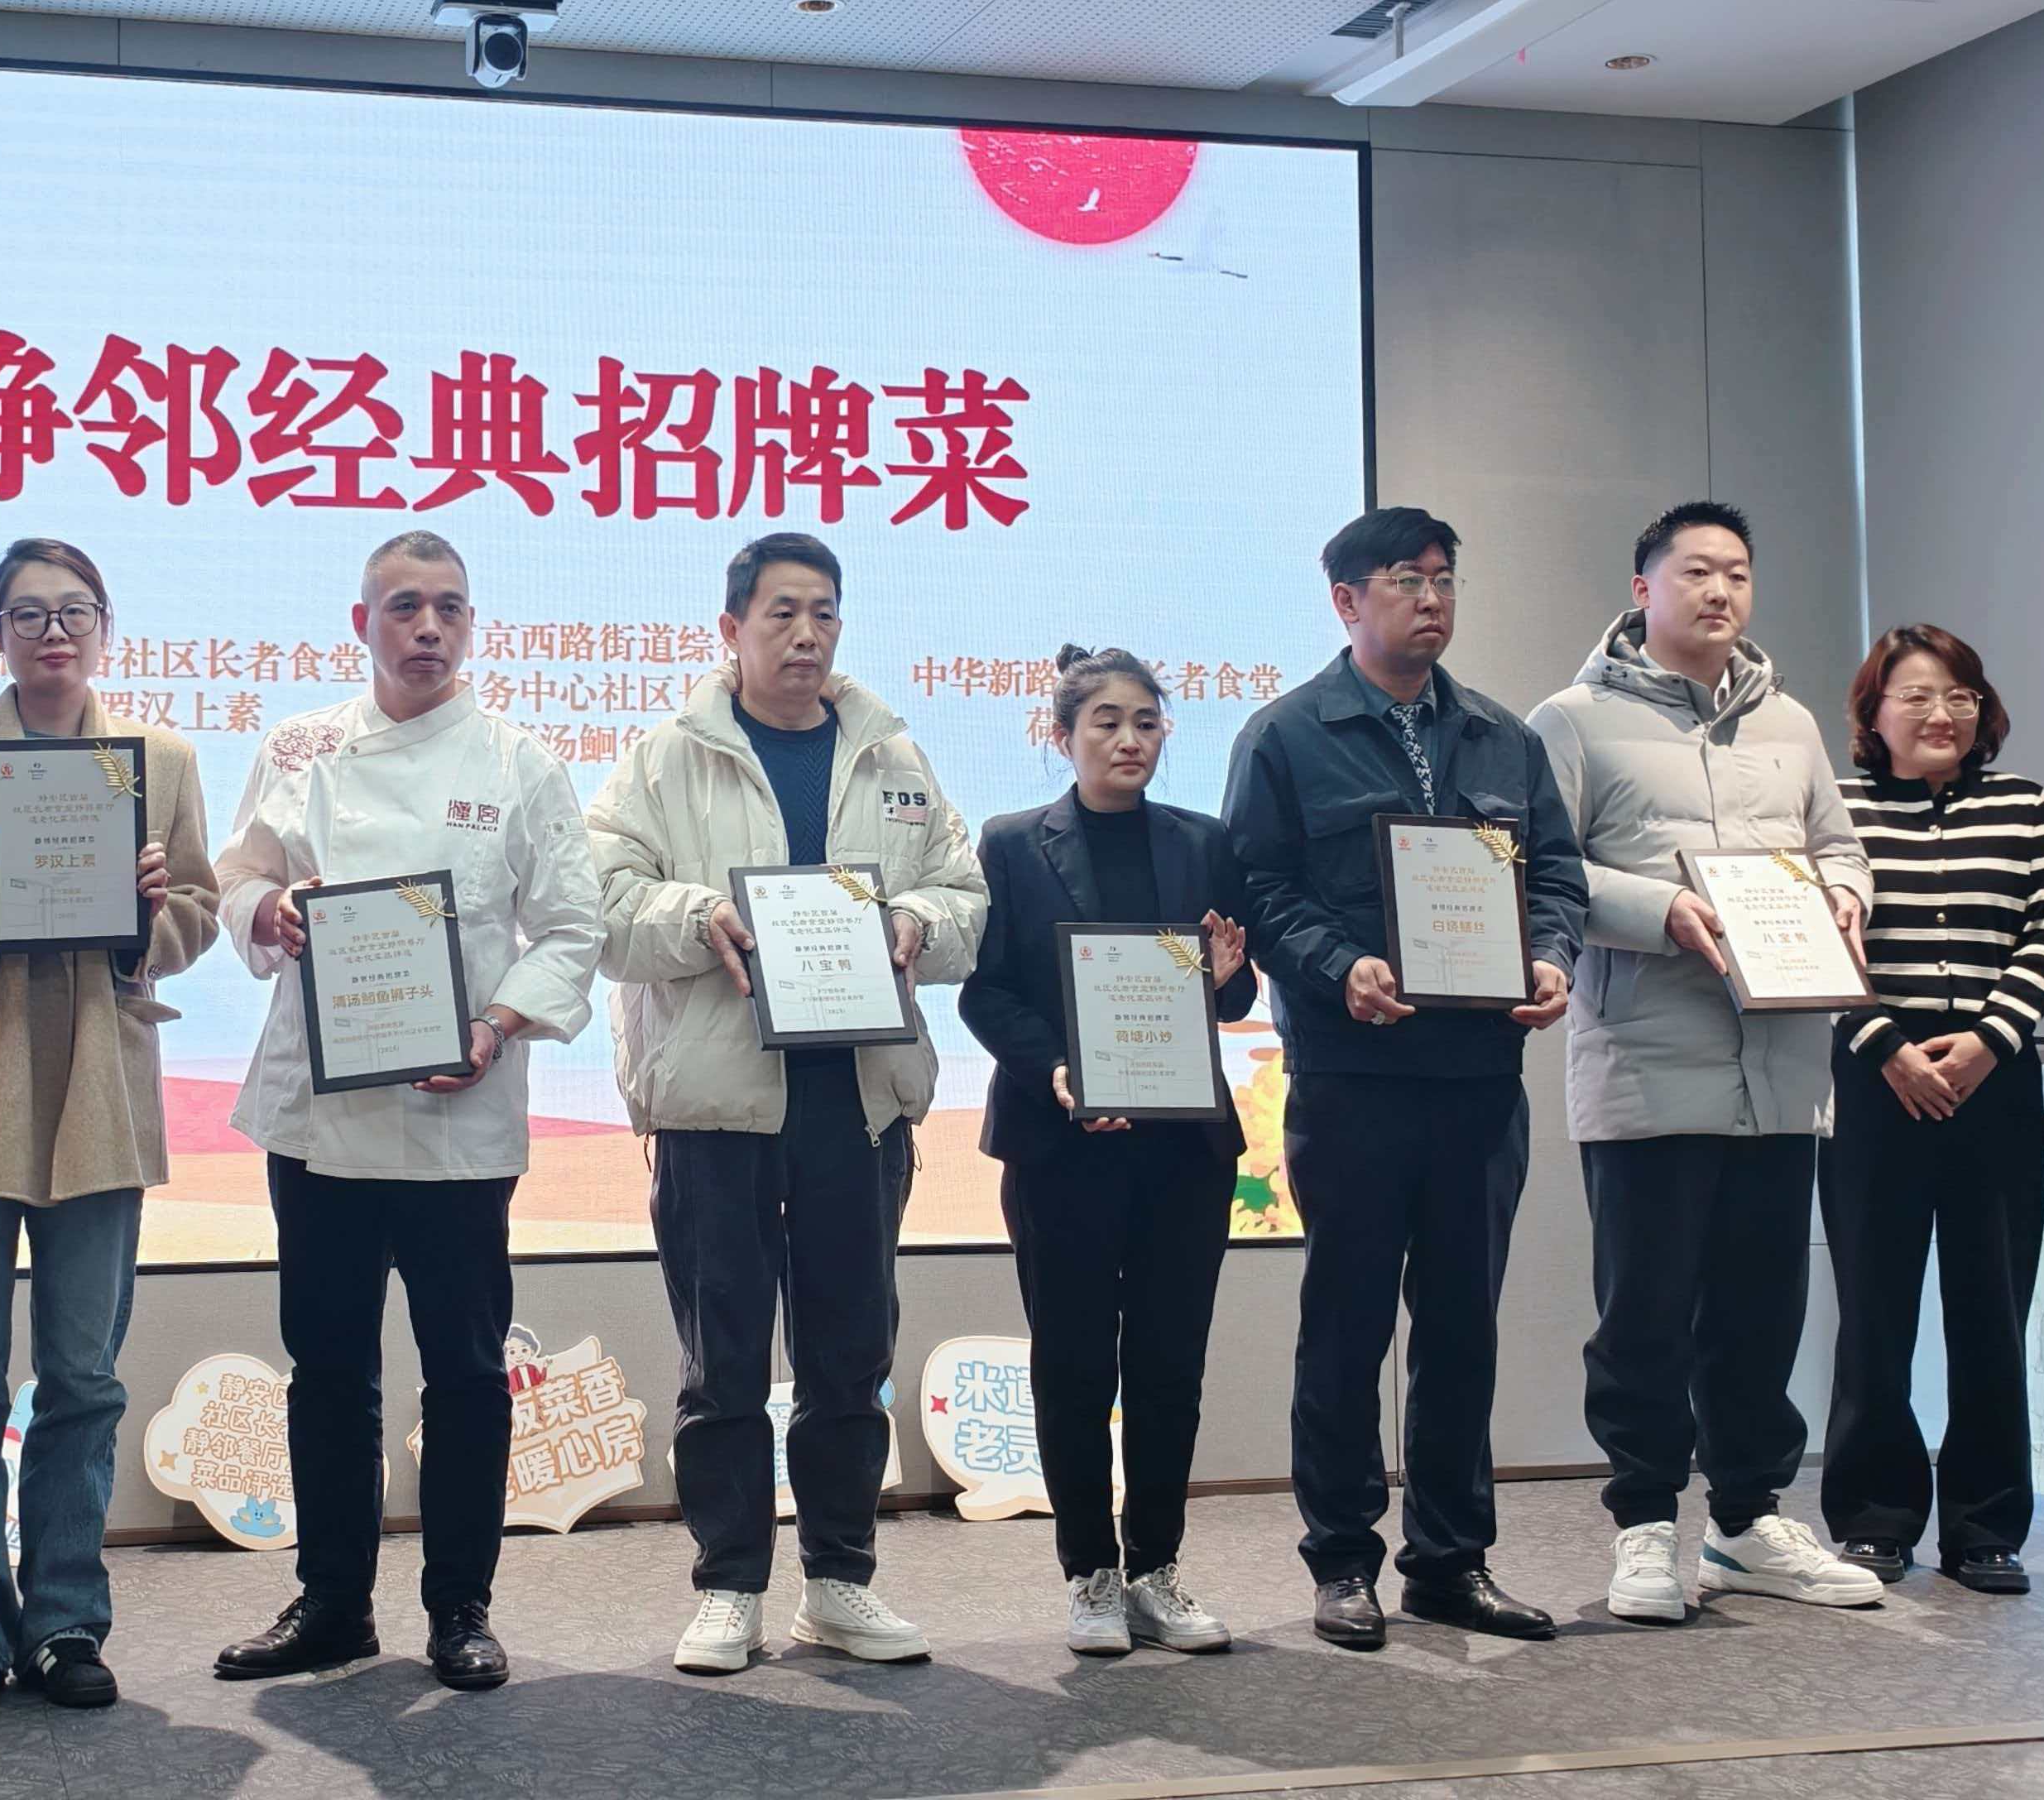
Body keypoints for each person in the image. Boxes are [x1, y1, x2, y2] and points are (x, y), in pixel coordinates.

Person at [206, 530, 602, 1693]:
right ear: (362, 622)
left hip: (455, 1115)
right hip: (318, 1115)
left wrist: (496, 1024)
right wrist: (269, 911)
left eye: (448, 608)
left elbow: (570, 929)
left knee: (467, 1371)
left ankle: (460, 1607)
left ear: (470, 625)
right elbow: (235, 874)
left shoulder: (521, 763)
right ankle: (332, 1602)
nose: (427, 628)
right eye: (403, 607)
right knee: (327, 1367)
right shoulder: (300, 745)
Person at [586, 532, 986, 1675]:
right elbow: (600, 905)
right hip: (715, 1107)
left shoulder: (891, 755)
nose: (806, 635)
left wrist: (915, 924)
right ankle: (728, 1585)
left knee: (849, 1355)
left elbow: (964, 898)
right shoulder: (663, 759)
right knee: (721, 1362)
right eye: (781, 614)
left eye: (823, 614)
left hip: (855, 1103)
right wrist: (698, 916)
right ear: (731, 629)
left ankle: (839, 1580)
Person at [0, 538, 221, 1718]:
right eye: (27, 614)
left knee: (82, 1379)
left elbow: (199, 913)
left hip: (100, 1088)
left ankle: (66, 1618)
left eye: (74, 612)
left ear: (105, 629)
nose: (53, 632)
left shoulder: (160, 760)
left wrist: (147, 916)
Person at [1220, 506, 1584, 1653]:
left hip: (1478, 1076)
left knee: (1462, 1327)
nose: (1431, 599)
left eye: (1443, 579)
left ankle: (1450, 1560)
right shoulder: (1285, 735)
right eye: (1404, 580)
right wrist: (1341, 968)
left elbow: (1557, 876)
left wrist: (1549, 956)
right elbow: (1258, 890)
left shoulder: (1500, 737)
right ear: (1345, 600)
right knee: (1346, 1325)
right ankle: (1341, 1560)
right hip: (1352, 1074)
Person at [1528, 500, 1883, 1624]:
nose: (1719, 590)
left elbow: (1838, 845)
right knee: (1643, 1315)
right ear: (1643, 589)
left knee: (1760, 1310)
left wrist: (1845, 895)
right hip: (1647, 1065)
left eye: (1735, 571)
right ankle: (1642, 1525)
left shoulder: (1789, 723)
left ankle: (1744, 1521)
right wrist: (1661, 909)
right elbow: (1542, 869)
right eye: (1694, 571)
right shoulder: (1572, 719)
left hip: (1781, 1071)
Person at [962, 647, 1260, 1658]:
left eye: (1145, 721)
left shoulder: (1203, 841)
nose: (1129, 739)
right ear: (1063, 735)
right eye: (1106, 721)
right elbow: (986, 990)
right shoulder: (1011, 842)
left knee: (1170, 1362)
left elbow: (1232, 995)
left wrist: (1225, 975)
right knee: (1074, 1364)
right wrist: (1057, 1068)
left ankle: (1156, 1568)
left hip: (1182, 1147)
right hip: (1060, 1145)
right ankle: (1089, 1572)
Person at [1822, 626, 2044, 1596]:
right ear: (1873, 711)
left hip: (1993, 1077)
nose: (1941, 713)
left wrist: (1987, 1040)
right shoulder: (1835, 809)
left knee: (1991, 1307)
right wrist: (1884, 1042)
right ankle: (1873, 1514)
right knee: (1872, 1307)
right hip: (1872, 1078)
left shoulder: (2023, 805)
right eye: (1917, 695)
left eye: (1960, 695)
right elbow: (1814, 934)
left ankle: (1984, 1524)